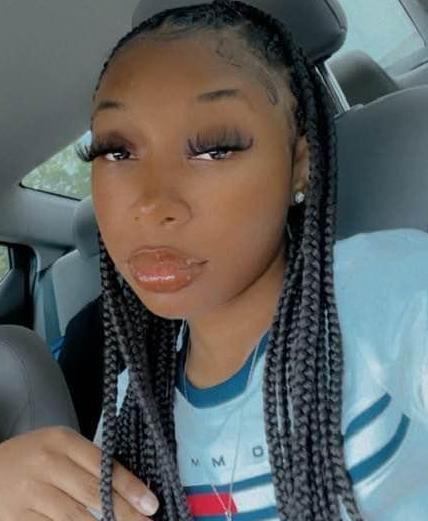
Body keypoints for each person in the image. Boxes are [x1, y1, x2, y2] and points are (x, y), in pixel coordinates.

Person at [0, 1, 427, 520]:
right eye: (116, 151)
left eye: (215, 148)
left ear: (299, 164)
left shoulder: (382, 292)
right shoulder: (135, 401)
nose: (151, 203)